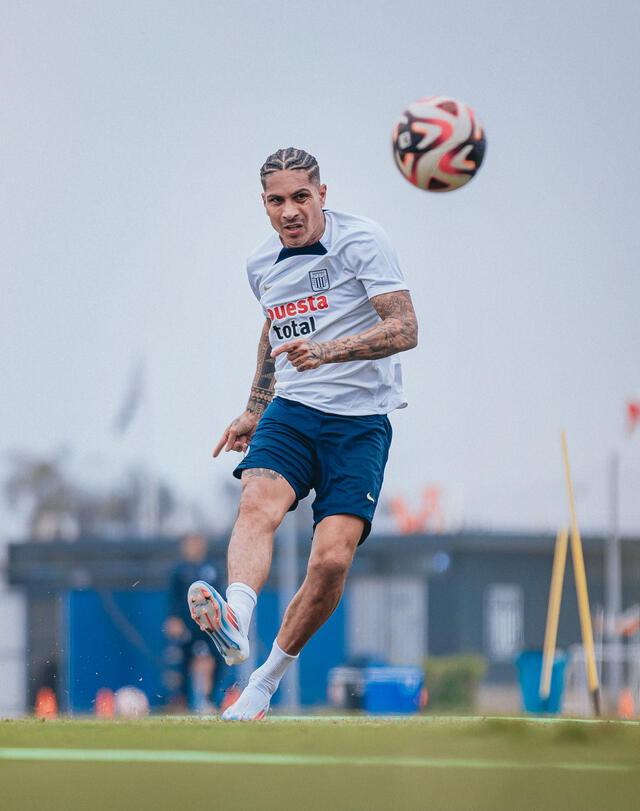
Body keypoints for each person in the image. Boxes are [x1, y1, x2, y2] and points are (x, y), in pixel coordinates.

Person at [188, 147, 418, 720]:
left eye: (300, 197)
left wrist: (329, 350)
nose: (289, 210)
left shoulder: (361, 240)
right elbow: (273, 328)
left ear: (322, 196)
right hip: (292, 410)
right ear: (263, 204)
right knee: (256, 500)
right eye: (276, 200)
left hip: (360, 423)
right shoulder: (260, 263)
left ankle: (263, 683)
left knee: (331, 561)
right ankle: (235, 619)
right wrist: (253, 407)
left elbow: (406, 327)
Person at [165, 533, 226, 712]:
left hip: (209, 624)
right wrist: (174, 619)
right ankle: (182, 700)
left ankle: (212, 700)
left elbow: (218, 594)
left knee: (217, 657)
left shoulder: (212, 568)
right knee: (184, 661)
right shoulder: (179, 570)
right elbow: (173, 597)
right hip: (187, 623)